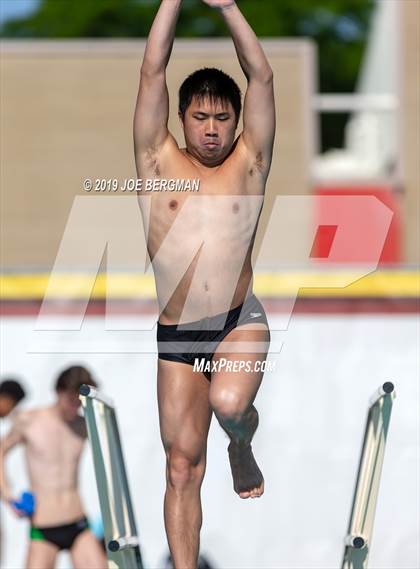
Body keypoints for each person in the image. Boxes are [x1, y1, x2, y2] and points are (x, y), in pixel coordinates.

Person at [134, 0, 275, 566]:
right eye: (200, 118)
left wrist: (227, 7)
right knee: (181, 465)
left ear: (237, 123)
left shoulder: (251, 161)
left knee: (229, 403)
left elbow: (261, 75)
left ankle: (241, 443)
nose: (212, 131)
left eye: (223, 119)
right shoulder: (157, 159)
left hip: (239, 322)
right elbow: (152, 70)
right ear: (182, 118)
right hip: (178, 332)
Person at [0, 366, 107, 569]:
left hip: (77, 524)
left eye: (79, 402)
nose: (74, 407)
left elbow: (109, 454)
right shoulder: (30, 421)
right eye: (71, 400)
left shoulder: (84, 426)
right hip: (43, 527)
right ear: (59, 391)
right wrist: (7, 493)